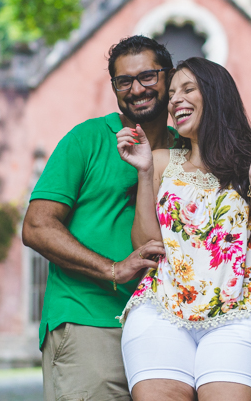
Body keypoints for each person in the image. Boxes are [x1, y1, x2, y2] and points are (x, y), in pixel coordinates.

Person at [115, 57, 251, 401]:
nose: (175, 100)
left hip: (240, 311)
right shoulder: (161, 161)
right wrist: (144, 172)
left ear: (215, 95)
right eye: (173, 94)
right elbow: (148, 245)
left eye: (188, 89)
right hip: (160, 310)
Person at [22, 35, 178, 401]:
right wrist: (113, 269)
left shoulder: (189, 147)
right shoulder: (87, 139)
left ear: (168, 77)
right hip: (90, 320)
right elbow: (36, 226)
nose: (137, 89)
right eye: (124, 81)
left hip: (170, 326)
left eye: (148, 77)